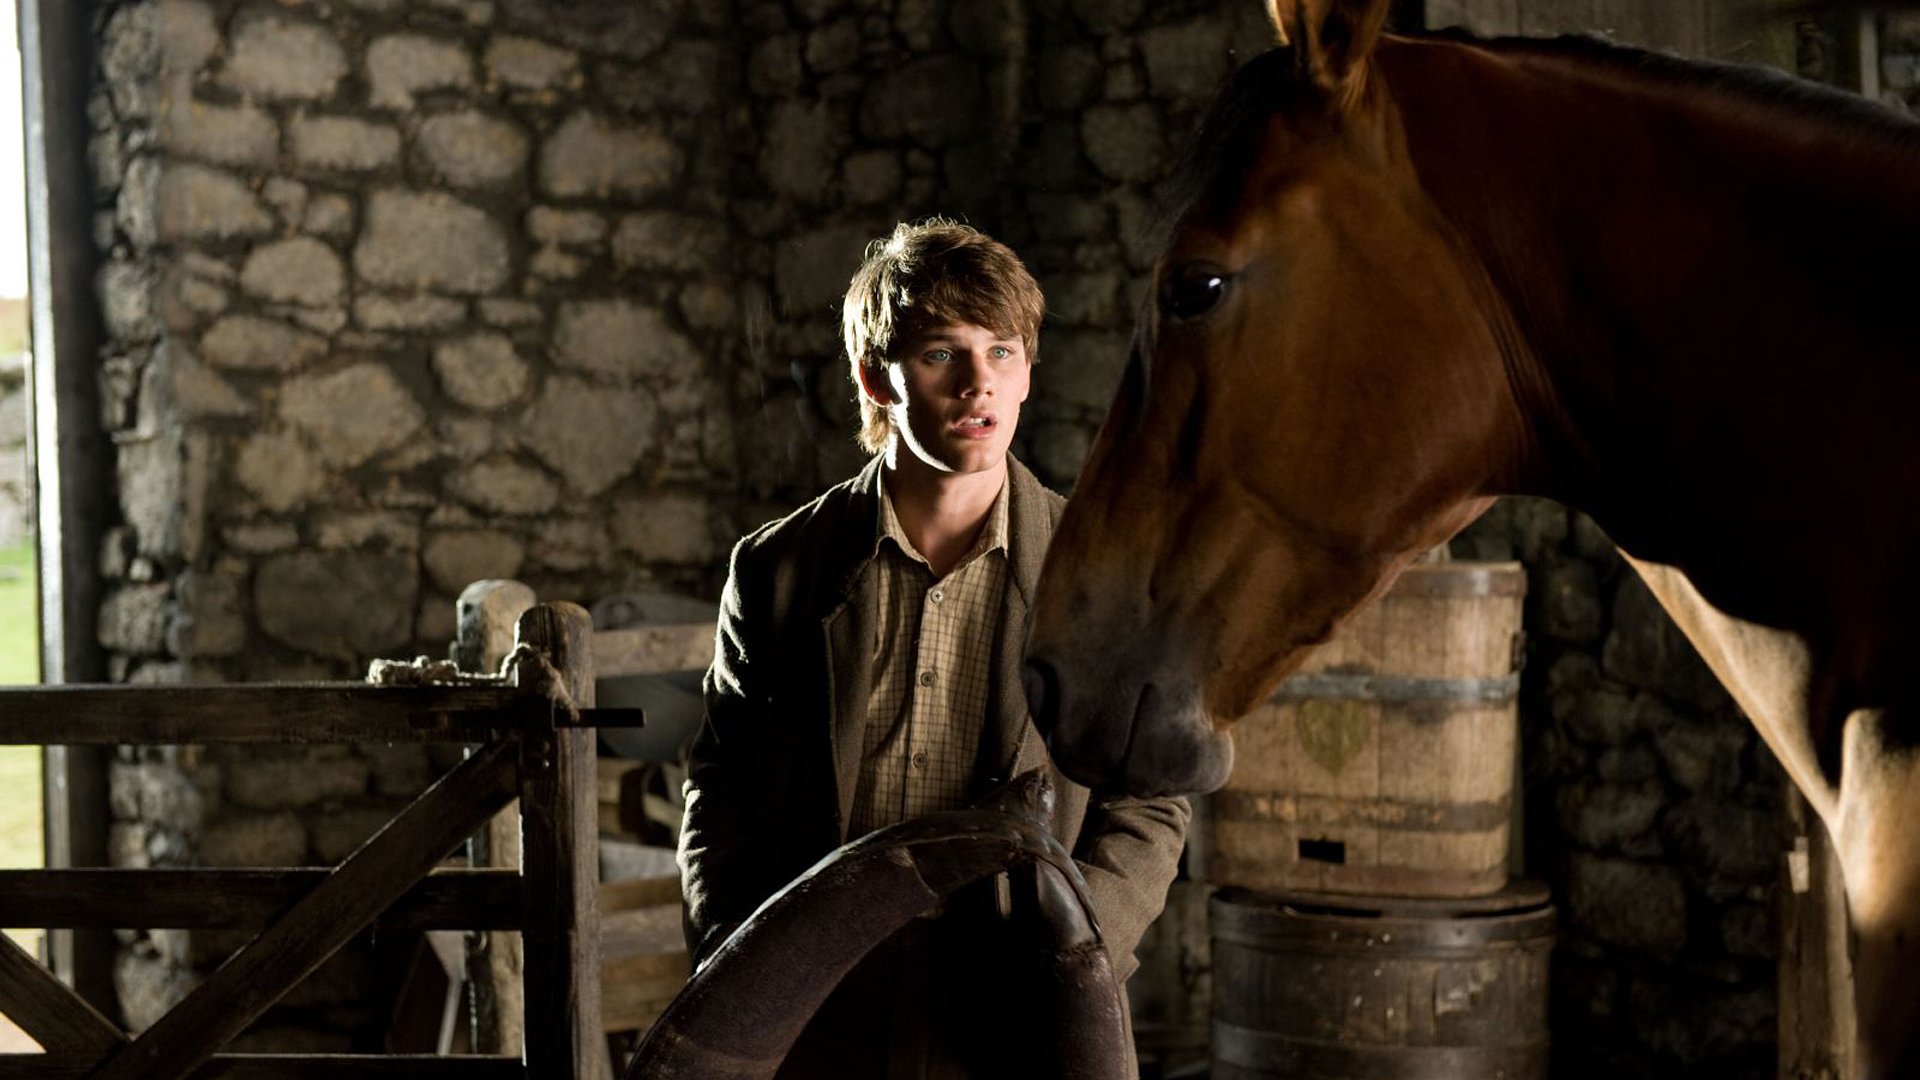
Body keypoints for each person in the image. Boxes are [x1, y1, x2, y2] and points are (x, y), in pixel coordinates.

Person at [677, 219, 1190, 1079]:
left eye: (1002, 351)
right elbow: (719, 786)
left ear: (1029, 371)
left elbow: (1150, 804)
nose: (976, 385)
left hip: (1018, 1000)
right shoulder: (778, 568)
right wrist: (743, 954)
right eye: (941, 354)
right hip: (818, 992)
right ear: (878, 378)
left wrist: (1079, 947)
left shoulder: (1106, 572)